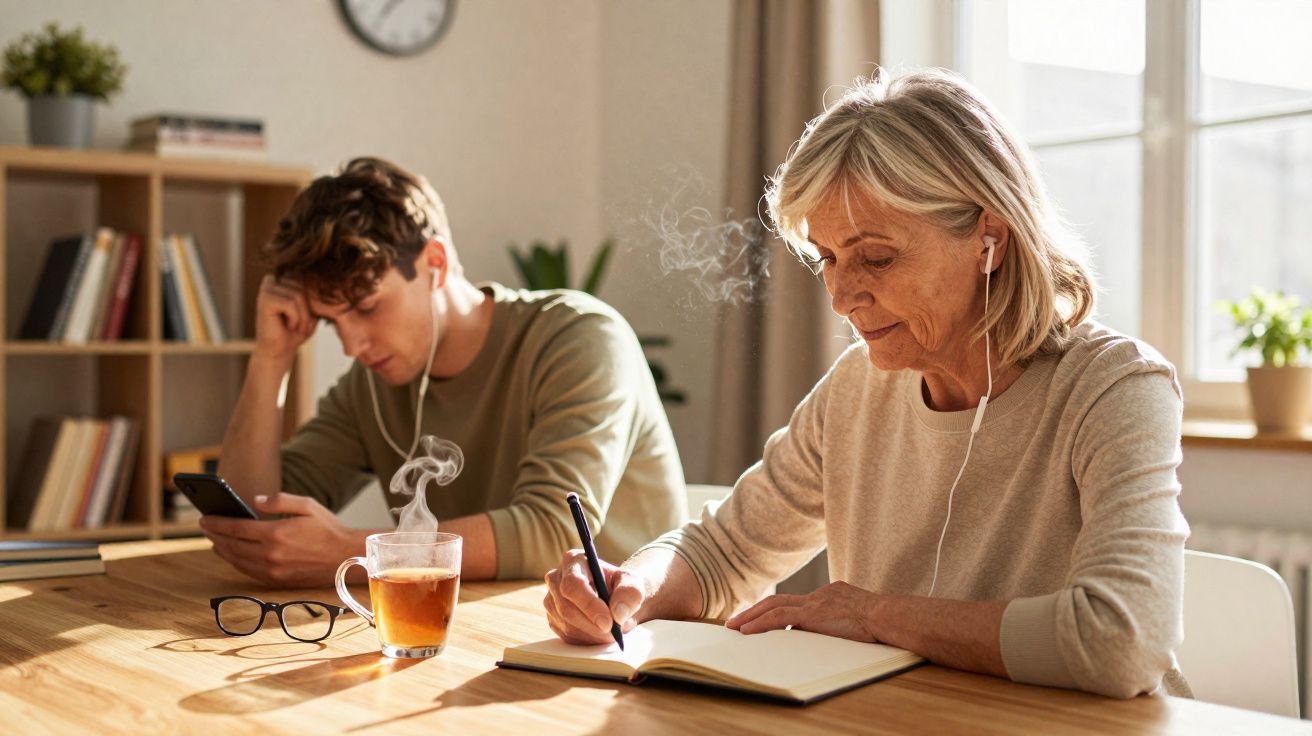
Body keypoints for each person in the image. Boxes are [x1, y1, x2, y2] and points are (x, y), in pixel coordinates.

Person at [542, 69, 1191, 699]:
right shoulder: (857, 389)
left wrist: (874, 615)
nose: (841, 297)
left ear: (989, 239)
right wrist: (629, 587)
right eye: (828, 258)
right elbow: (722, 552)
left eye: (876, 257)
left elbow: (1121, 640)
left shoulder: (1114, 389)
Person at [204, 157, 687, 587]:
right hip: (484, 629)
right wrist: (271, 358)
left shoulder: (580, 338)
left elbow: (551, 531)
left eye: (368, 308)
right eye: (332, 322)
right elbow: (256, 521)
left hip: (633, 635)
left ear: (435, 263)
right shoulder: (373, 384)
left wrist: (352, 552)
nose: (352, 345)